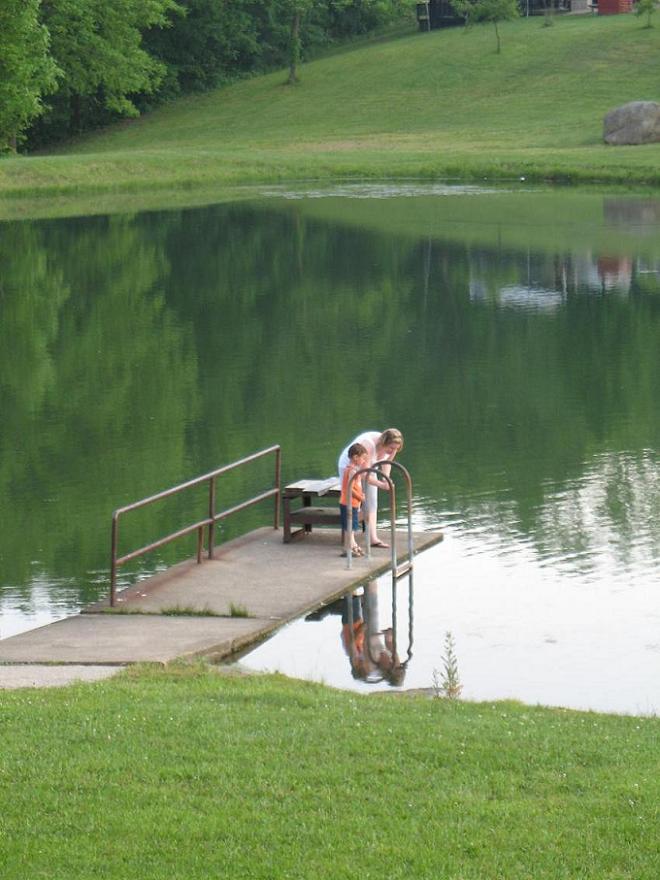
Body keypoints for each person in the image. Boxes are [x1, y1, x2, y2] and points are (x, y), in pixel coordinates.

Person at [337, 428, 404, 548]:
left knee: (372, 502)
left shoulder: (391, 448)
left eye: (396, 449)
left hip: (369, 467)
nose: (393, 451)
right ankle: (350, 540)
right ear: (384, 443)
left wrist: (385, 479)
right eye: (391, 448)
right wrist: (381, 484)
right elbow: (363, 474)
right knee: (353, 503)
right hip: (351, 468)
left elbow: (386, 462)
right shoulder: (368, 445)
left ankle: (373, 538)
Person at [339, 442, 368, 557]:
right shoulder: (352, 471)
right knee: (350, 527)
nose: (364, 461)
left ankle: (352, 545)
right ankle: (350, 547)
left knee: (351, 527)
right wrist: (360, 497)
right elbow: (349, 488)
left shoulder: (353, 470)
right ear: (355, 457)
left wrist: (361, 495)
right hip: (349, 503)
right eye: (363, 458)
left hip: (353, 503)